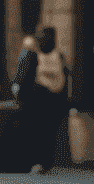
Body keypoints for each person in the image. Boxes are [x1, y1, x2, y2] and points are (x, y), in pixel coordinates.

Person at [16, 26, 69, 174]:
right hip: (49, 101)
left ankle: (39, 163)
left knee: (39, 133)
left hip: (41, 101)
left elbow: (24, 79)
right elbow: (65, 79)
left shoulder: (35, 56)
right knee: (47, 134)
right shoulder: (58, 56)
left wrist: (20, 98)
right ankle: (44, 163)